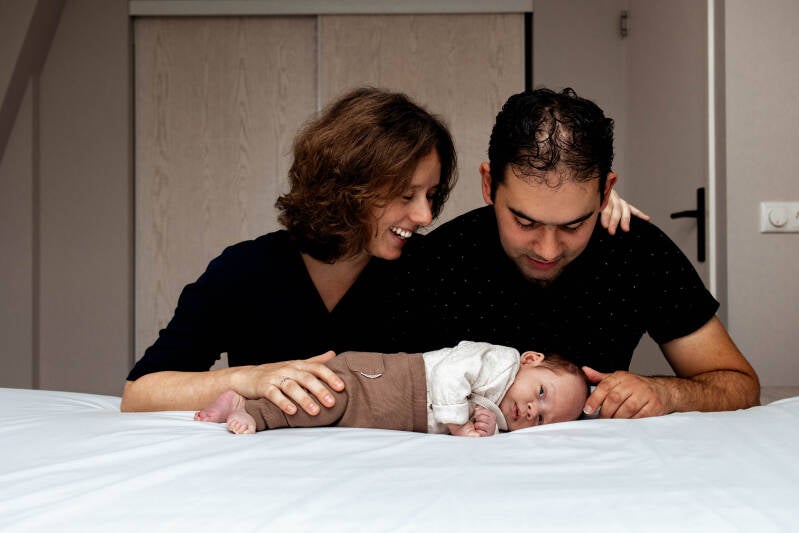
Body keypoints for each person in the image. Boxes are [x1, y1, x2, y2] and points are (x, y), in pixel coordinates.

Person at [121, 87, 641, 414]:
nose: (425, 215)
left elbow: (524, 371)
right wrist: (250, 378)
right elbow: (139, 392)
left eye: (431, 195)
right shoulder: (245, 270)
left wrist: (590, 208)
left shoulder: (433, 269)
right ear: (347, 187)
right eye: (406, 195)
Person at [387, 87, 760, 419]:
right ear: (489, 185)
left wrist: (668, 392)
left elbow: (739, 384)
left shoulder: (636, 250)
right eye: (525, 222)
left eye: (573, 225)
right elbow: (369, 387)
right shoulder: (437, 261)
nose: (548, 250)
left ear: (605, 192)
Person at [194, 341, 589, 437]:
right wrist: (458, 424)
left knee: (327, 412)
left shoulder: (503, 414)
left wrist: (483, 426)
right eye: (541, 393)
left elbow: (477, 414)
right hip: (390, 381)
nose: (532, 410)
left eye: (543, 419)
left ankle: (241, 400)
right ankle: (252, 410)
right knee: (324, 403)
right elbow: (451, 375)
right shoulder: (498, 361)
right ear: (530, 359)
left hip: (394, 409)